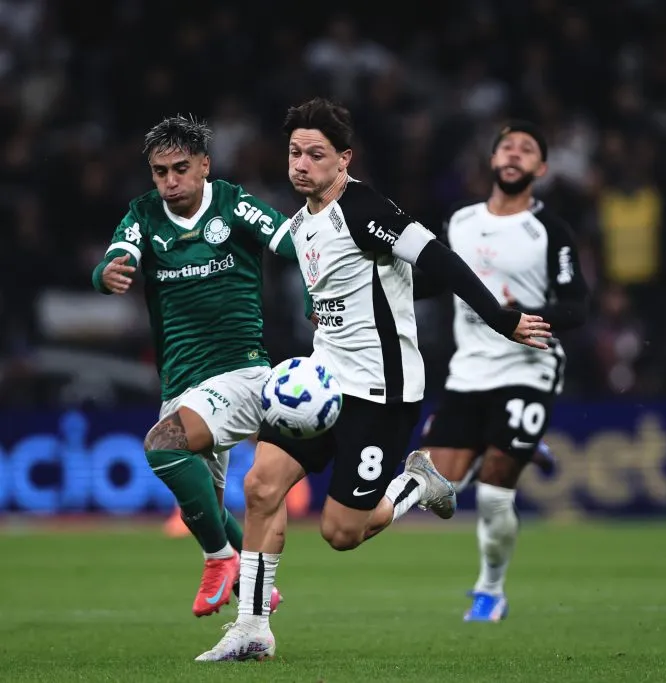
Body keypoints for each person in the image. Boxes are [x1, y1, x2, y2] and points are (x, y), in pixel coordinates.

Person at [196, 99, 550, 662]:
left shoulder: (364, 209)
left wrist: (500, 319)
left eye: (316, 154)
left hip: (381, 395)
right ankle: (252, 628)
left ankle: (417, 482)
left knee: (342, 532)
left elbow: (439, 259)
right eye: (294, 153)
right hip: (320, 387)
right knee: (261, 487)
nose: (302, 164)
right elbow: (348, 288)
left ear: (344, 160)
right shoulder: (300, 223)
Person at [91, 116, 293, 617]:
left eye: (181, 168)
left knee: (162, 446)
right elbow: (116, 256)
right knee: (200, 500)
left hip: (241, 372)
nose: (170, 181)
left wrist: (317, 291)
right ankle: (255, 589)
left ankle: (221, 559)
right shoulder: (144, 215)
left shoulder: (233, 204)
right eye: (160, 172)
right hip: (181, 381)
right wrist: (104, 274)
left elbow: (294, 245)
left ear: (205, 164)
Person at [418, 121, 588, 622]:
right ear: (493, 162)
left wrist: (523, 313)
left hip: (528, 365)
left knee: (494, 490)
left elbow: (576, 307)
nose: (514, 154)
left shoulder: (551, 231)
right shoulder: (461, 222)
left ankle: (490, 590)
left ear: (541, 169)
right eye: (506, 147)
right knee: (436, 489)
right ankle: (520, 444)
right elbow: (430, 285)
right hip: (469, 370)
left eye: (527, 149)